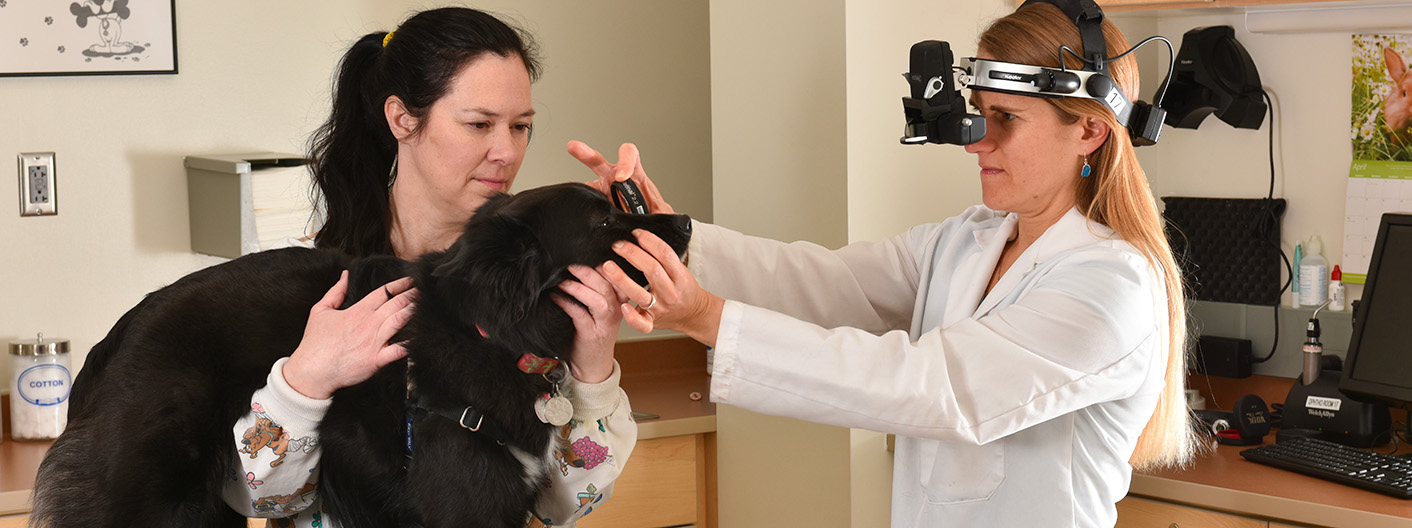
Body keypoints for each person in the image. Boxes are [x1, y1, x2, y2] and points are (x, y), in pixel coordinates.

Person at [579, 3, 1196, 526]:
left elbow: (928, 386)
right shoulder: (969, 240)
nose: (977, 139)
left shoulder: (1112, 285)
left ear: (1089, 131)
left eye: (1006, 118)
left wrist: (709, 319)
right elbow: (824, 281)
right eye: (979, 111)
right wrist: (674, 240)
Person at [222, 8, 635, 527]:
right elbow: (255, 497)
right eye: (479, 124)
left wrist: (593, 374)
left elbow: (564, 508)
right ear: (402, 118)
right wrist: (305, 380)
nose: (506, 152)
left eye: (521, 126)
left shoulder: (532, 285)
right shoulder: (303, 284)